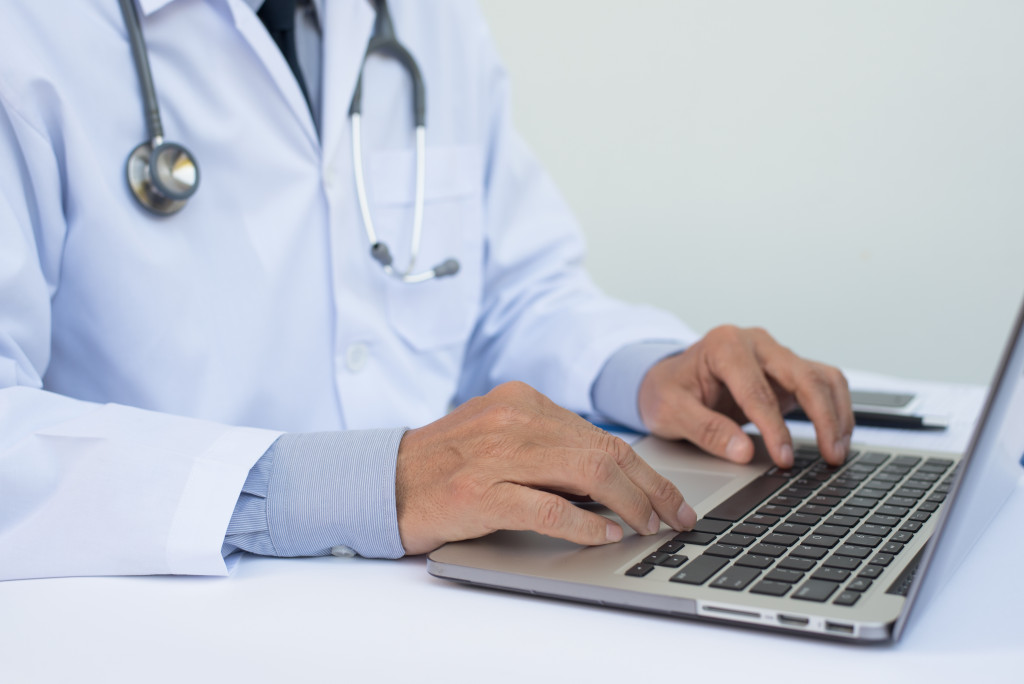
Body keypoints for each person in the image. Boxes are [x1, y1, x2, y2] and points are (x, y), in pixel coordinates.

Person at [0, 0, 852, 581]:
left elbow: (514, 293)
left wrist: (654, 372)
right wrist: (369, 482)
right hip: (163, 609)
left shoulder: (421, 16)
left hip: (444, 592)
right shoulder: (29, 35)